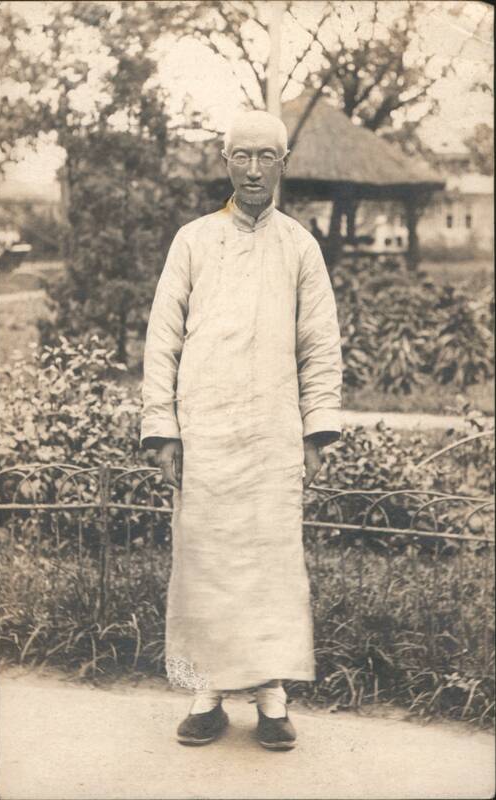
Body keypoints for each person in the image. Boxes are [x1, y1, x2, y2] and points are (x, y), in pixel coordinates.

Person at [141, 110, 342, 750]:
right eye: (242, 156)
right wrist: (164, 430)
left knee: (270, 563)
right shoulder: (193, 241)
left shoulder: (300, 247)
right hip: (205, 433)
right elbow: (162, 341)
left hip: (274, 435)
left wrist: (316, 432)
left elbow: (320, 346)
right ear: (225, 162)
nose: (253, 170)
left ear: (283, 164)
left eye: (266, 157)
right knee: (205, 560)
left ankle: (272, 698)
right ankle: (206, 695)